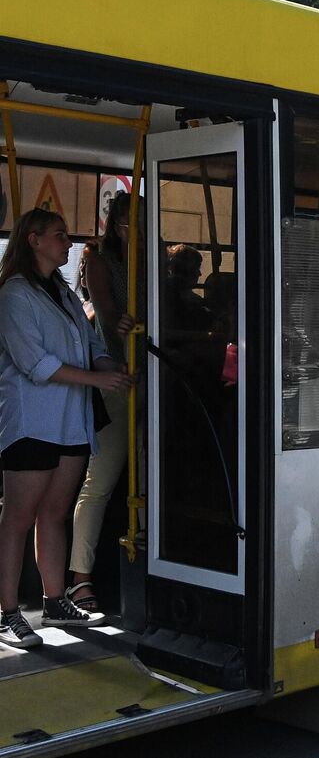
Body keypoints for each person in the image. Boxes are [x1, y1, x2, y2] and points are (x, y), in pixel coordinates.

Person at [0, 209, 133, 649]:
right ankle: (7, 613)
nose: (67, 241)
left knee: (55, 512)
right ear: (34, 240)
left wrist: (112, 366)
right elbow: (34, 364)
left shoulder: (62, 291)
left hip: (70, 420)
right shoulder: (15, 294)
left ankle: (55, 599)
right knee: (18, 518)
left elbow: (90, 345)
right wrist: (98, 379)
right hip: (32, 421)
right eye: (59, 235)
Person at [68, 192, 142, 616]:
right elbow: (108, 310)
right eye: (130, 223)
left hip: (153, 377)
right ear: (116, 226)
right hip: (119, 376)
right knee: (100, 482)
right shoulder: (100, 259)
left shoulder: (154, 259)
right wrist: (122, 326)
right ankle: (81, 579)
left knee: (150, 481)